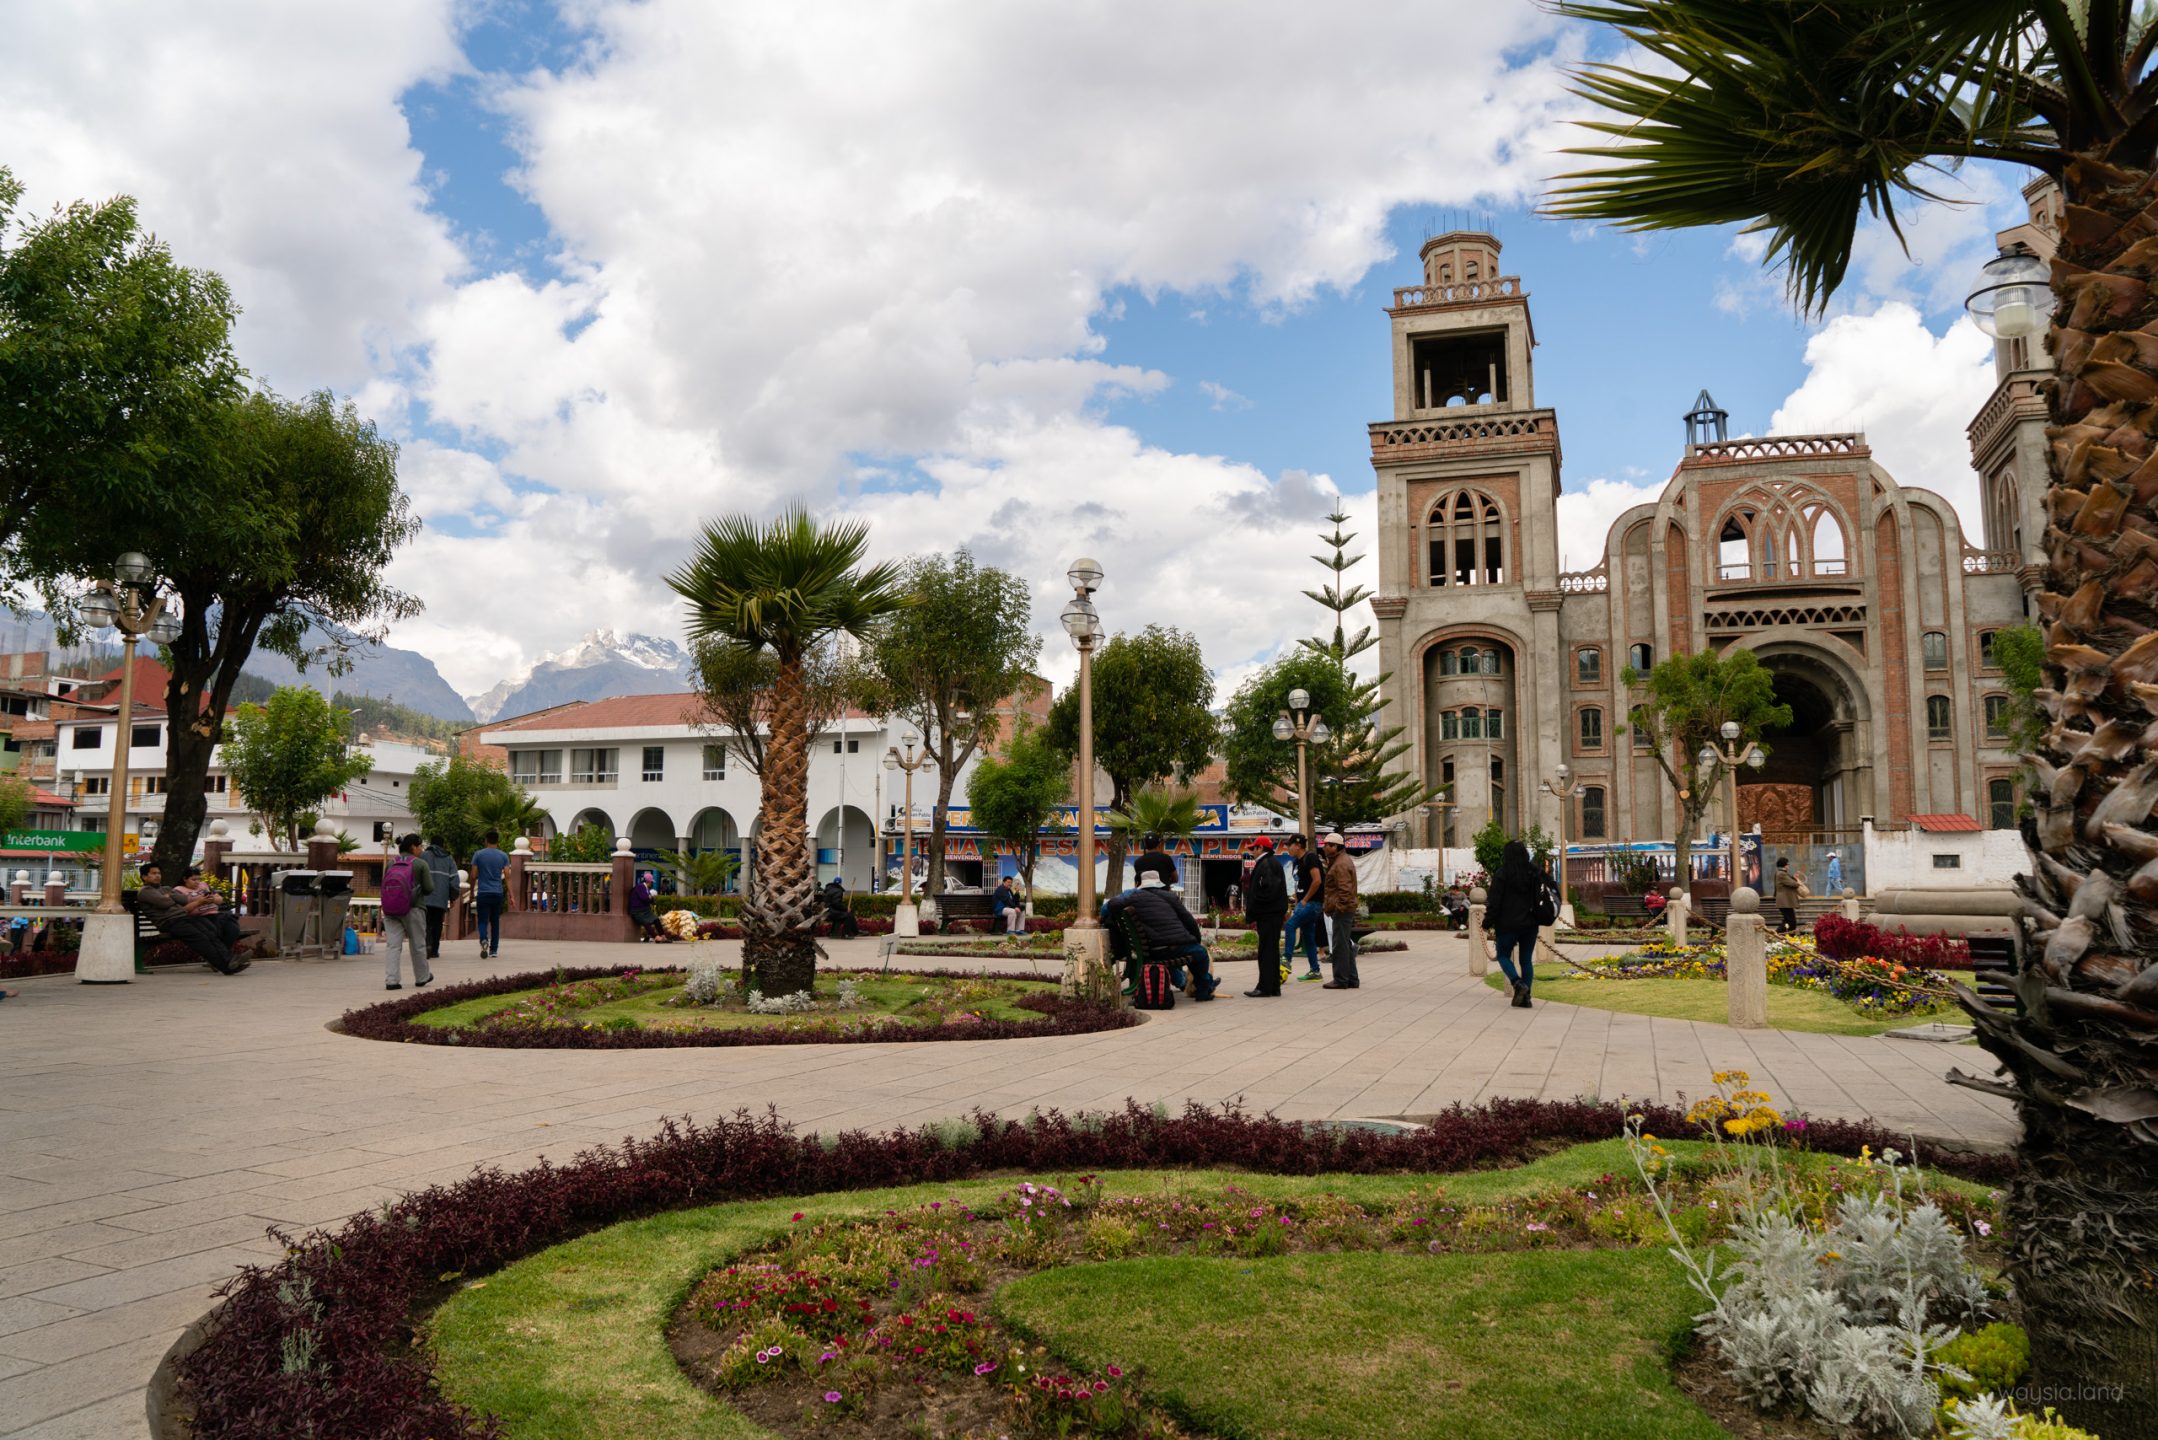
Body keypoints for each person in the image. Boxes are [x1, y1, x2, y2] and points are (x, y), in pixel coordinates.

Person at [1105, 872, 1221, 1000]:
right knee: (1201, 953)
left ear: (1139, 884)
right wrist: (1195, 939)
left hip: (1150, 948)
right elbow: (1189, 921)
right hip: (1169, 948)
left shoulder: (1133, 897)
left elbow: (1111, 904)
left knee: (1195, 952)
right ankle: (1204, 990)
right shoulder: (1167, 897)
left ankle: (1206, 985)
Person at [134, 861, 244, 975]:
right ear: (144, 877)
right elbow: (164, 903)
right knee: (200, 939)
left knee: (211, 933)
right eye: (153, 873)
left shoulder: (165, 889)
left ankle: (230, 960)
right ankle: (226, 967)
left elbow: (184, 899)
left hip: (183, 918)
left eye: (159, 873)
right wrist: (172, 898)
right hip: (170, 923)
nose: (157, 875)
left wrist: (170, 896)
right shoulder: (145, 892)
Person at [1486, 840, 1545, 1008]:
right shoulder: (1533, 873)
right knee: (1526, 960)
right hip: (1530, 922)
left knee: (1503, 955)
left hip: (1507, 923)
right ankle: (1526, 998)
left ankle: (1518, 984)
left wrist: (1488, 921)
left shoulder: (1502, 873)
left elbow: (1494, 901)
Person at [379, 834, 435, 991]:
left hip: (390, 909)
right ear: (413, 847)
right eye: (420, 846)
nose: (421, 850)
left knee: (393, 946)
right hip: (413, 908)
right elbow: (429, 888)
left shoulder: (391, 863)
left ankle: (392, 980)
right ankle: (422, 977)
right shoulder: (420, 864)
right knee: (417, 944)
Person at [1241, 835, 1289, 997]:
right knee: (1271, 950)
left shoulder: (1267, 863)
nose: (1252, 851)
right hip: (1271, 913)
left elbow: (1269, 890)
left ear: (1260, 848)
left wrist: (1257, 907)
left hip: (1269, 914)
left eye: (1253, 848)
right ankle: (1273, 986)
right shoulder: (1269, 863)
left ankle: (1265, 987)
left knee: (1266, 951)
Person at [1319, 831, 1361, 990]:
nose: (1325, 847)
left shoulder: (1341, 864)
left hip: (1343, 910)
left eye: (1329, 845)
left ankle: (1341, 979)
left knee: (1339, 946)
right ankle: (1351, 979)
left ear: (1337, 847)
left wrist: (1339, 909)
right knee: (1344, 944)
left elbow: (1345, 890)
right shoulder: (1339, 860)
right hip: (1344, 908)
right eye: (1325, 844)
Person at [1282, 834, 1326, 981]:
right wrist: (1297, 899)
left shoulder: (1310, 858)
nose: (1288, 848)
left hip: (1313, 903)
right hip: (1303, 903)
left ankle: (1286, 959)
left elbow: (1317, 880)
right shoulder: (1296, 862)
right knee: (1308, 937)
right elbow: (1298, 883)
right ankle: (1315, 971)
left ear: (1298, 845)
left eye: (1290, 845)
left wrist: (1305, 900)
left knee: (1290, 925)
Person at [472, 830, 509, 959]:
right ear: (497, 841)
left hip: (483, 892)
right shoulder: (503, 856)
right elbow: (508, 877)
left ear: (486, 840)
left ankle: (483, 940)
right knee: (495, 922)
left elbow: (473, 875)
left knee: (482, 921)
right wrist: (512, 895)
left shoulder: (478, 854)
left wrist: (472, 891)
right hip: (497, 892)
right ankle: (494, 950)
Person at [422, 836, 459, 960]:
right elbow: (454, 879)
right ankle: (434, 950)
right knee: (437, 924)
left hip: (424, 897)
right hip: (441, 898)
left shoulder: (423, 856)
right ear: (443, 845)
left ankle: (425, 946)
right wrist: (453, 897)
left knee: (425, 923)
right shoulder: (448, 859)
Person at [629, 872, 671, 943]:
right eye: (651, 882)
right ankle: (656, 937)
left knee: (656, 920)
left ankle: (663, 936)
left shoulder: (646, 888)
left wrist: (651, 898)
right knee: (646, 922)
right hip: (637, 910)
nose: (652, 884)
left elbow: (650, 899)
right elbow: (645, 898)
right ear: (649, 881)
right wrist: (651, 896)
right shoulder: (640, 887)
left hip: (645, 910)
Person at [1773, 857, 1805, 933]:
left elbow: (1789, 881)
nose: (1788, 866)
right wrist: (1797, 881)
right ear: (1784, 865)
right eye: (1787, 864)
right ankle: (1777, 933)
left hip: (1785, 902)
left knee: (1788, 921)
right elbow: (1793, 884)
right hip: (1784, 902)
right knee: (1791, 922)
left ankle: (1784, 935)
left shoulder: (1781, 873)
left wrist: (1794, 878)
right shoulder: (1781, 874)